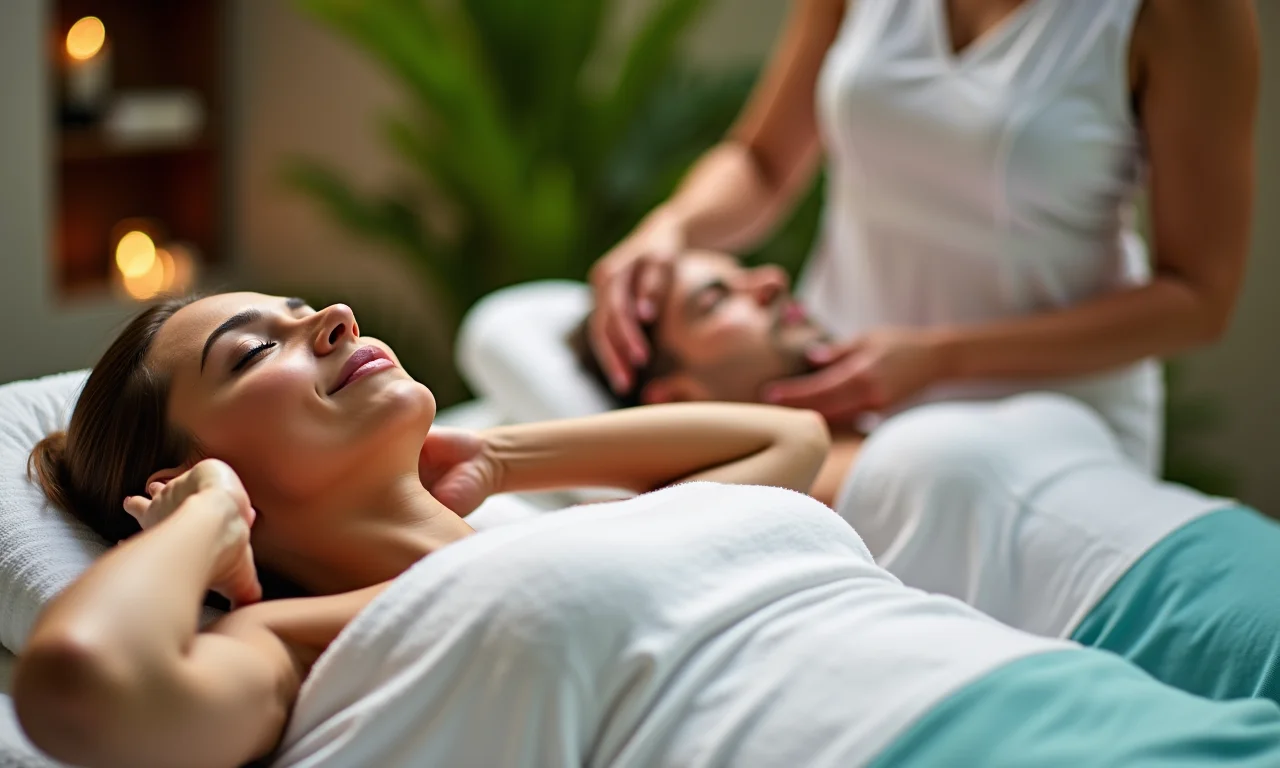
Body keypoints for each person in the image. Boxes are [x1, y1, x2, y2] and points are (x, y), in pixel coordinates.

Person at [14, 296, 1280, 768]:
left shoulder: (543, 526)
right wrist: (201, 524)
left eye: (308, 310)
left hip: (1105, 712)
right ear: (191, 471)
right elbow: (83, 685)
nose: (332, 319)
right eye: (261, 351)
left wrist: (497, 455)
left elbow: (774, 453)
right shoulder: (299, 647)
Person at [571, 249, 1280, 705]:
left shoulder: (892, 416)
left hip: (1232, 544)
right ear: (677, 399)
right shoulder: (765, 492)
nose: (769, 280)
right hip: (1168, 636)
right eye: (715, 298)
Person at [588, 0, 1259, 474]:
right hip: (842, 405)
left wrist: (942, 358)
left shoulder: (1183, 14)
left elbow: (1198, 298)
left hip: (1053, 429)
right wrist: (672, 225)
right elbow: (764, 163)